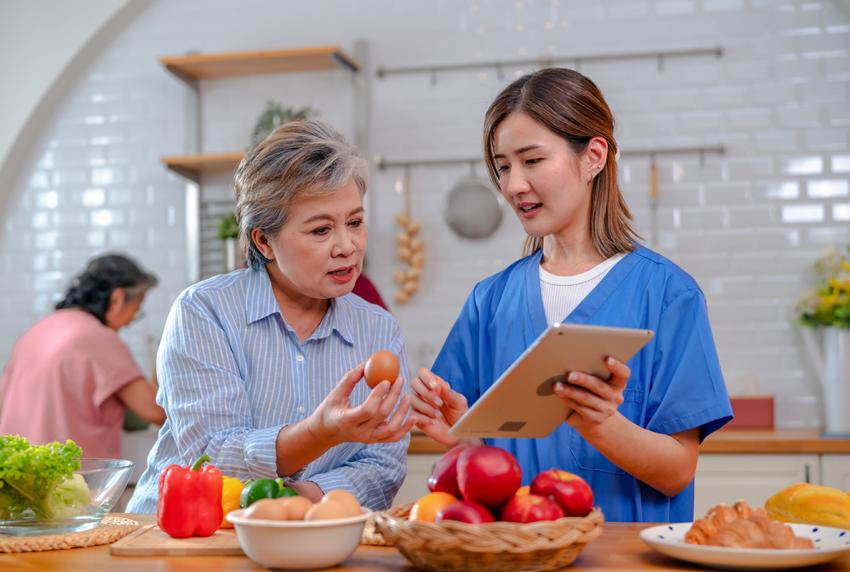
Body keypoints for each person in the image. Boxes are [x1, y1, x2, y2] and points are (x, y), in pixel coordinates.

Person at [410, 68, 733, 523]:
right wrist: (462, 438)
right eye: (503, 166)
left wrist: (603, 425)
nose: (514, 184)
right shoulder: (489, 301)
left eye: (532, 160)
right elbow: (487, 470)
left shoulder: (667, 294)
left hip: (624, 559)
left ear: (593, 156)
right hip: (515, 557)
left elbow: (677, 470)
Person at [127, 120, 414, 513]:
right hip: (189, 536)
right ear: (264, 241)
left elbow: (384, 464)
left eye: (355, 222)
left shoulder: (378, 328)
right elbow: (212, 455)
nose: (347, 246)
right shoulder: (205, 312)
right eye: (320, 230)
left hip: (310, 535)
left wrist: (299, 500)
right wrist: (320, 433)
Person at [0, 254, 164, 458]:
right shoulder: (99, 339)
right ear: (118, 298)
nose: (131, 321)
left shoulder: (36, 331)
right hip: (70, 480)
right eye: (136, 310)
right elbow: (156, 411)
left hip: (14, 475)